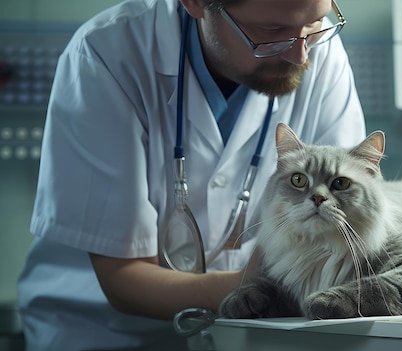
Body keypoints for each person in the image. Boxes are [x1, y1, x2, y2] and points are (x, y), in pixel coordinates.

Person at [17, 0, 366, 349]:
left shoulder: (321, 49)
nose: (300, 56)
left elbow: (343, 215)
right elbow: (124, 281)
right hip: (104, 331)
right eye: (271, 33)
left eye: (315, 22)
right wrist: (260, 287)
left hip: (254, 327)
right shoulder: (107, 53)